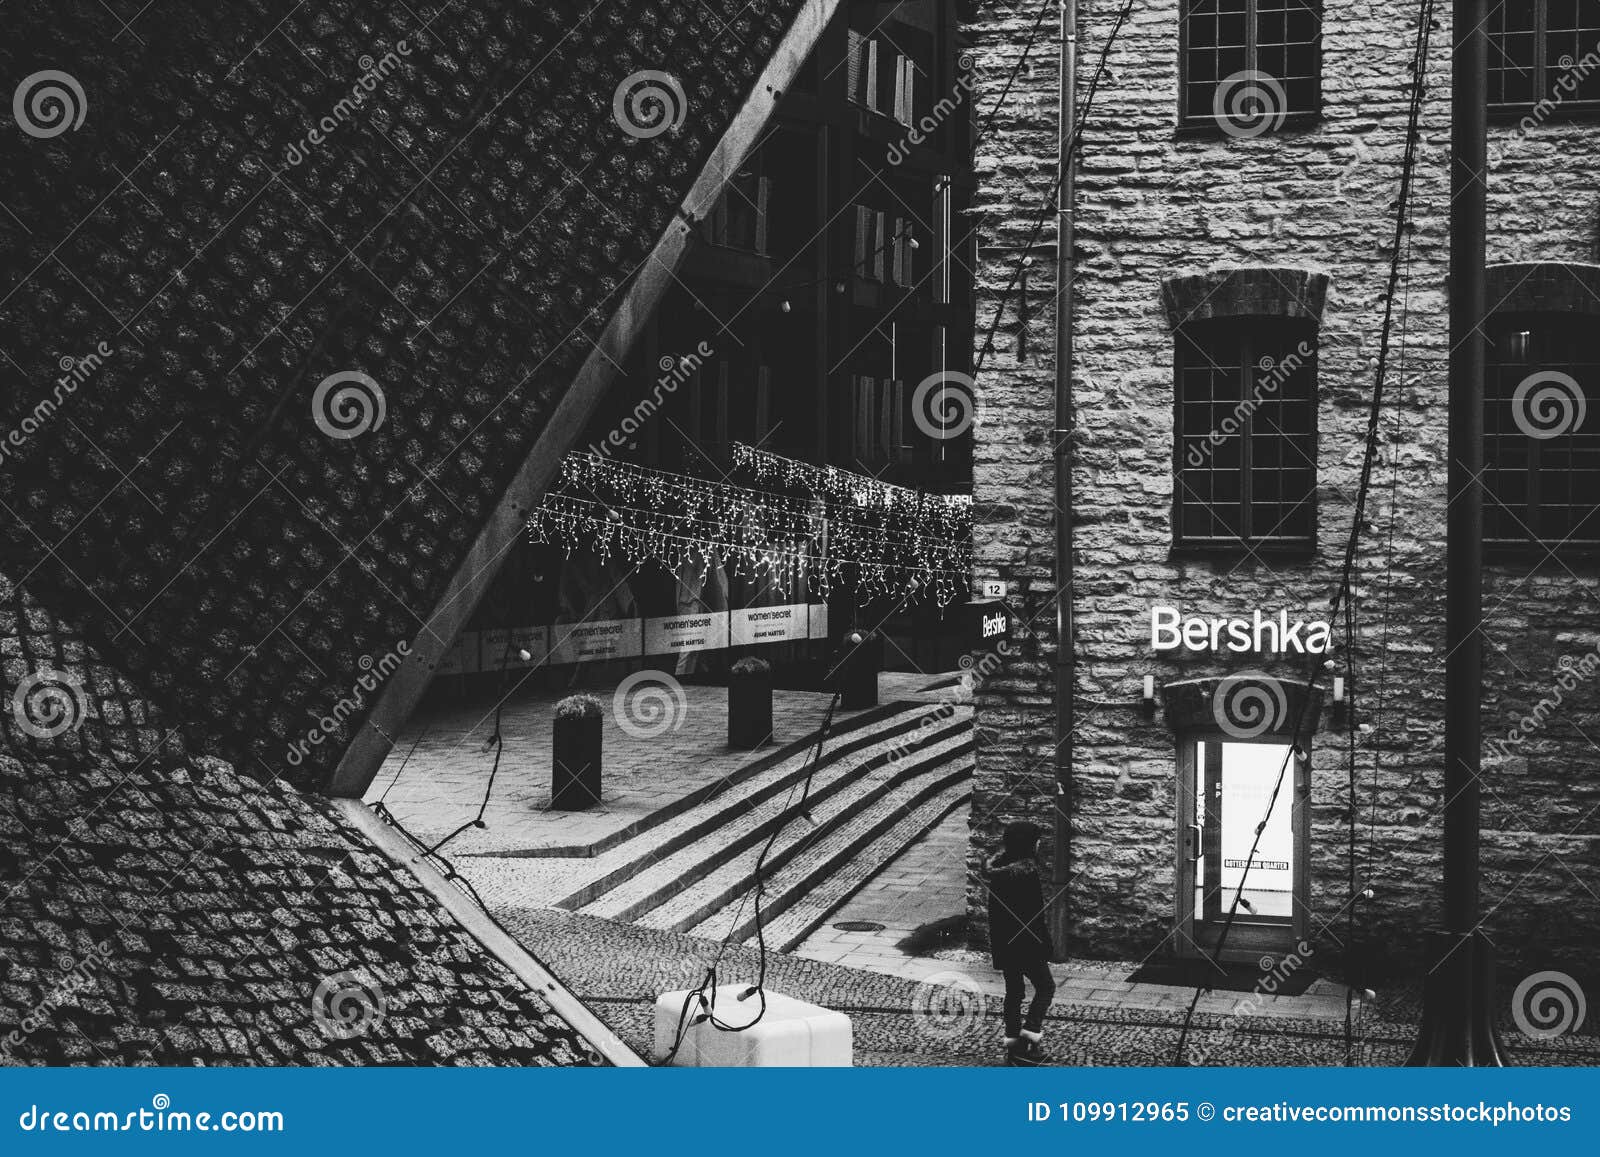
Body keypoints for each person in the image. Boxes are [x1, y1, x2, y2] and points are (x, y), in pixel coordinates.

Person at [985, 820, 1056, 1065]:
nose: (1039, 844)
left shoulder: (998, 873)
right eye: (1037, 840)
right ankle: (1030, 1035)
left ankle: (1014, 1048)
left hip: (1005, 944)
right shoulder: (1026, 874)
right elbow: (1034, 915)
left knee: (1014, 993)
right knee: (1046, 987)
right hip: (1027, 944)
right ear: (1028, 844)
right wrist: (1045, 945)